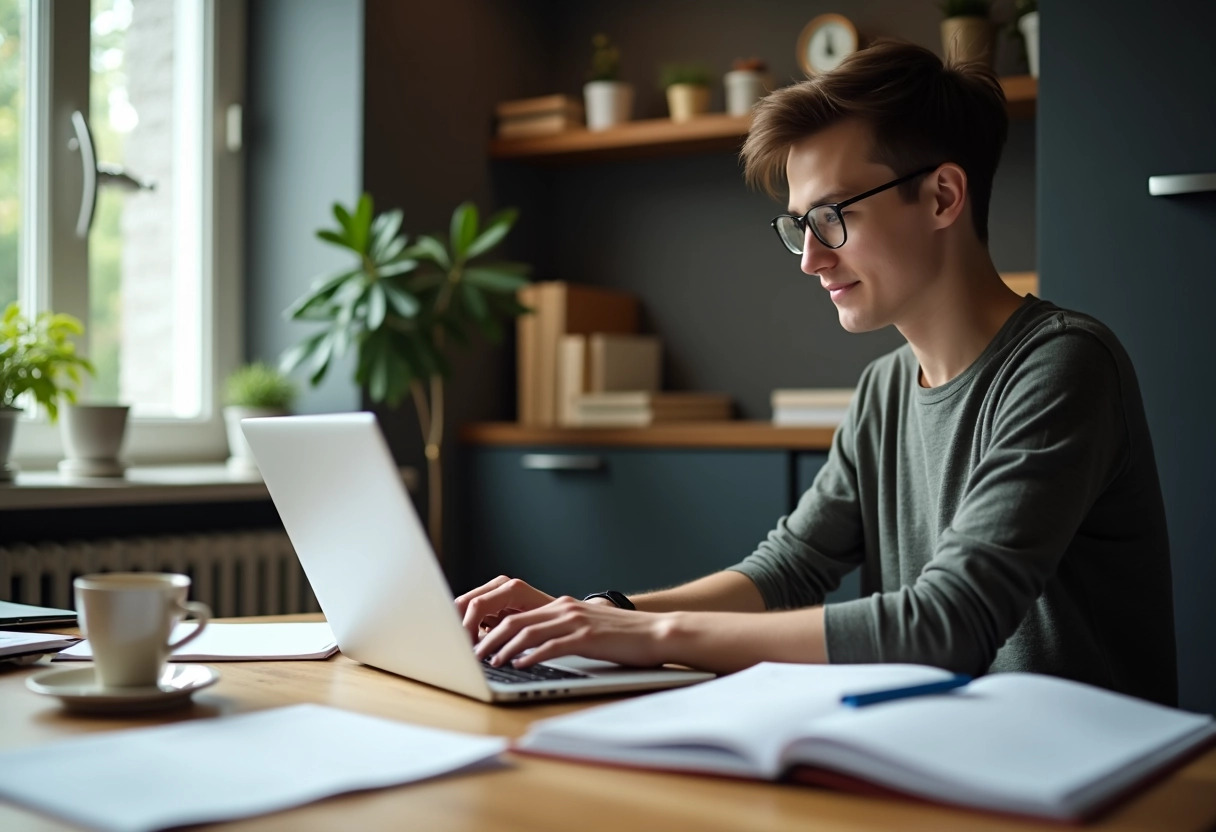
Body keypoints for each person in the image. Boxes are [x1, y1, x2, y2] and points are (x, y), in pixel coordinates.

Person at [457, 40, 1177, 706]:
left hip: (1088, 780)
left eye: (832, 216)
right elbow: (789, 569)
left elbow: (948, 622)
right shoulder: (885, 390)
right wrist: (600, 615)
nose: (810, 257)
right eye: (798, 224)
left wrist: (652, 638)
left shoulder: (1064, 364)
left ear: (942, 197)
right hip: (944, 759)